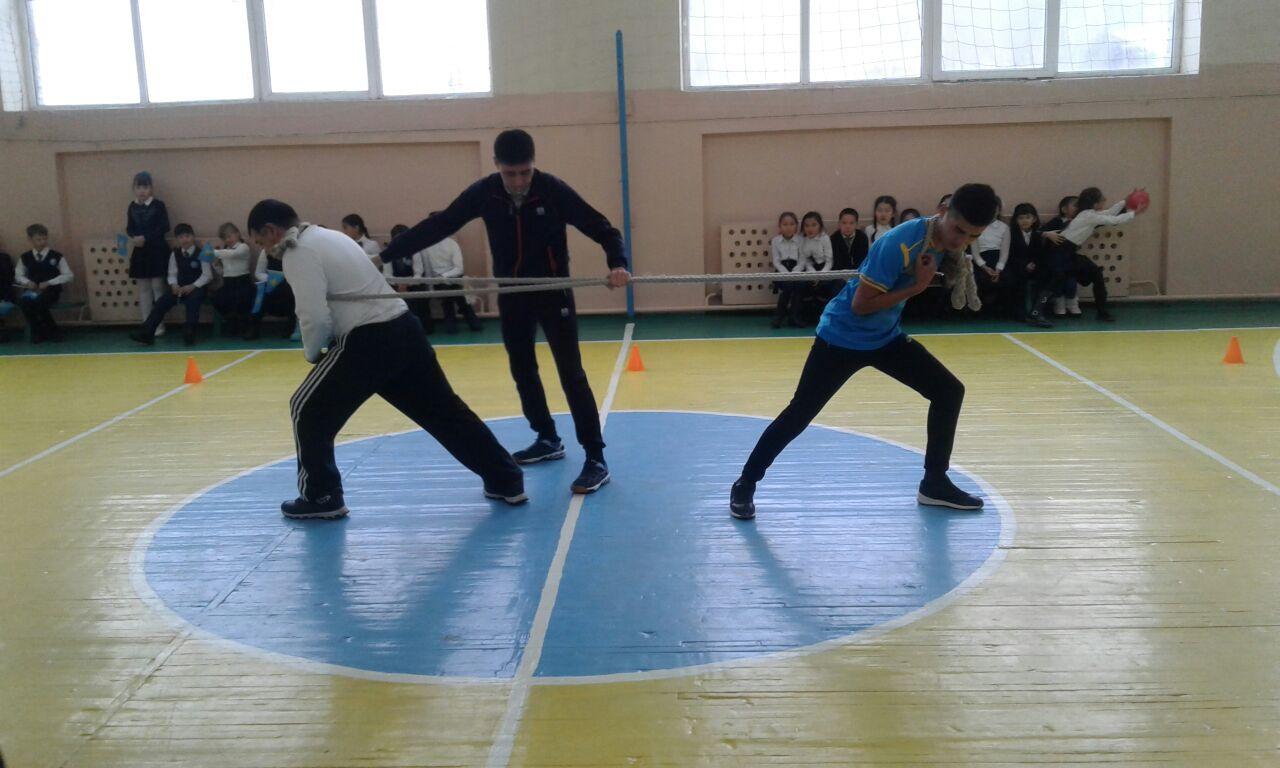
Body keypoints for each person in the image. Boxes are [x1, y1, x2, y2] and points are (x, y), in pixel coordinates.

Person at [378, 129, 630, 495]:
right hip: (512, 295)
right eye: (510, 173)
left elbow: (604, 229)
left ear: (533, 165)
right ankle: (547, 437)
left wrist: (618, 263)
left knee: (571, 374)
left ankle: (595, 458)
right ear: (497, 165)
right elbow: (441, 224)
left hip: (553, 291)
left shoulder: (552, 190)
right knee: (522, 369)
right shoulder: (485, 193)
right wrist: (385, 255)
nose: (519, 181)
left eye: (525, 172)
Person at [729, 183, 1000, 521]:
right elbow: (861, 305)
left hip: (885, 338)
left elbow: (951, 254)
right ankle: (745, 483)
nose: (962, 241)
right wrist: (917, 286)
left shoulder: (944, 239)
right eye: (959, 230)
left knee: (949, 391)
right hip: (841, 337)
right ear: (943, 211)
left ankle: (934, 483)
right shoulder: (899, 243)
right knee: (799, 413)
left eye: (973, 236)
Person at [246, 199, 525, 519]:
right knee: (445, 412)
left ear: (271, 230)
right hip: (404, 328)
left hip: (369, 340)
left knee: (306, 409)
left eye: (260, 242)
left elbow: (314, 316)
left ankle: (321, 496)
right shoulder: (331, 236)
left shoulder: (298, 252)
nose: (264, 250)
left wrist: (313, 354)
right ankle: (506, 479)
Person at [1029, 186, 1146, 326]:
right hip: (1059, 252)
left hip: (1068, 252)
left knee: (1096, 274)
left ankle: (1102, 312)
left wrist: (1125, 201)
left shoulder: (1088, 214)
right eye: (1102, 199)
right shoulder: (1088, 216)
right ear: (1095, 203)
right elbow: (1113, 220)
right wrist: (1134, 213)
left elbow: (1109, 213)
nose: (1104, 200)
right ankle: (1036, 314)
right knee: (1054, 282)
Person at [129, 223, 210, 346]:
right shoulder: (174, 254)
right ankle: (147, 333)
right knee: (161, 302)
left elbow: (207, 275)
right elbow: (172, 273)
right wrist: (174, 285)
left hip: (196, 288)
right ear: (177, 240)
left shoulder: (202, 253)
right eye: (181, 237)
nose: (185, 240)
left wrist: (192, 286)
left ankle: (190, 332)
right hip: (179, 288)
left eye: (187, 236)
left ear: (193, 237)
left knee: (193, 302)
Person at [419, 212, 484, 333]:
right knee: (458, 298)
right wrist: (435, 283)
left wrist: (437, 282)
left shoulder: (435, 245)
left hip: (446, 279)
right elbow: (457, 269)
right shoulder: (450, 244)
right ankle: (471, 322)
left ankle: (452, 325)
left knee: (449, 298)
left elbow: (458, 269)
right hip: (445, 280)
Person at [125, 171, 172, 335]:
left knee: (158, 287)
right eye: (139, 187)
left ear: (151, 188)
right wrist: (134, 237)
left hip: (157, 249)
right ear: (134, 189)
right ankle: (146, 325)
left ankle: (158, 325)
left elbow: (165, 226)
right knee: (144, 289)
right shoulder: (132, 206)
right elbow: (129, 227)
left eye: (145, 187)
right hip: (140, 251)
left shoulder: (159, 205)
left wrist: (146, 237)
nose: (142, 191)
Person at [15, 223, 74, 344]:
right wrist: (27, 282)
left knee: (40, 302)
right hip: (32, 290)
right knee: (24, 303)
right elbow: (18, 275)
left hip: (51, 291)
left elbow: (69, 275)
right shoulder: (25, 257)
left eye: (44, 239)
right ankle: (38, 331)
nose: (42, 242)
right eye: (39, 239)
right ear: (30, 240)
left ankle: (53, 331)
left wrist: (49, 282)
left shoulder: (56, 256)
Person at [210, 223, 255, 336]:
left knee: (242, 300)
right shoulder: (225, 251)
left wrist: (214, 252)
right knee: (217, 298)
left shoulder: (243, 247)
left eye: (229, 236)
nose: (227, 240)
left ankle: (245, 325)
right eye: (224, 238)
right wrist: (215, 264)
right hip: (228, 283)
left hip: (242, 282)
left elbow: (234, 254)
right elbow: (223, 272)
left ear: (238, 234)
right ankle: (232, 321)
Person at [769, 211, 805, 328]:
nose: (788, 227)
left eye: (791, 224)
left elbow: (802, 260)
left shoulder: (801, 240)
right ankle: (779, 315)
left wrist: (795, 272)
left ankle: (794, 316)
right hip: (781, 270)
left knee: (799, 286)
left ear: (796, 226)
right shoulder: (775, 241)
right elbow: (776, 261)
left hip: (797, 269)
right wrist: (785, 273)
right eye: (785, 224)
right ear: (779, 226)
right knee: (787, 286)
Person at [829, 207, 869, 272]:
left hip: (858, 272)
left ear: (856, 224)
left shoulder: (862, 237)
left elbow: (863, 258)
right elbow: (835, 261)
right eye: (844, 223)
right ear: (839, 224)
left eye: (851, 223)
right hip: (839, 273)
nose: (848, 226)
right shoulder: (833, 238)